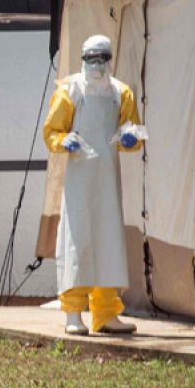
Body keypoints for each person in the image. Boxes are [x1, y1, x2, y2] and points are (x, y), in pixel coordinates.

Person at [45, 34, 145, 336]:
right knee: (78, 243)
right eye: (90, 58)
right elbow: (51, 132)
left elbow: (134, 132)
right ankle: (73, 313)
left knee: (109, 243)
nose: (95, 65)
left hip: (107, 181)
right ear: (82, 59)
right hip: (79, 182)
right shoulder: (70, 90)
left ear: (109, 59)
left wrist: (132, 138)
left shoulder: (121, 93)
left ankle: (105, 314)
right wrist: (65, 141)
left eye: (101, 58)